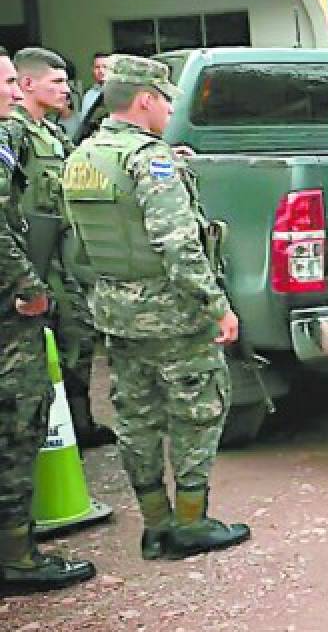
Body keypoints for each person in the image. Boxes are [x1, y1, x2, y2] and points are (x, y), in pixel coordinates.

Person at [60, 55, 251, 561]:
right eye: (165, 99)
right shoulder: (151, 161)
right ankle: (191, 524)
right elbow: (179, 247)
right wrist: (217, 306)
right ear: (145, 99)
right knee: (197, 410)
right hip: (170, 313)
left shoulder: (82, 157)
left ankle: (155, 526)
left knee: (136, 418)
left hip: (116, 312)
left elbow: (77, 243)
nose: (169, 109)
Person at [0, 45, 97, 594]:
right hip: (11, 306)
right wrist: (30, 289)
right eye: (10, 82)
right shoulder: (5, 140)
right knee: (19, 420)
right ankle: (16, 555)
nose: (15, 93)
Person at [4, 47, 100, 444]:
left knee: (78, 334)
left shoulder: (52, 132)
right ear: (28, 84)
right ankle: (52, 434)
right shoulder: (14, 132)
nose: (66, 90)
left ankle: (79, 426)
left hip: (60, 254)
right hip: (28, 258)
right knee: (47, 344)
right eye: (56, 82)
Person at [65, 52, 109, 143]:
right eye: (97, 67)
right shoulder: (89, 94)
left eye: (105, 67)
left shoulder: (120, 93)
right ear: (92, 70)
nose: (101, 71)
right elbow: (84, 122)